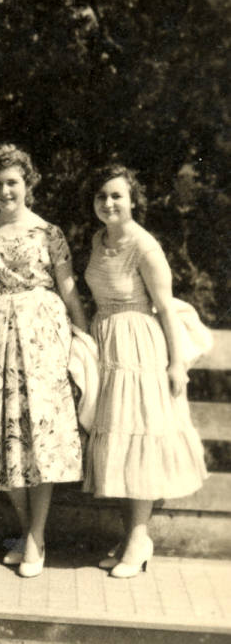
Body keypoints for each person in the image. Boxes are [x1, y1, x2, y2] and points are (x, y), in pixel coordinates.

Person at [0, 144, 87, 578]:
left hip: (43, 338)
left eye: (12, 182)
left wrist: (84, 338)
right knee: (0, 435)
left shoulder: (49, 232)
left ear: (28, 184)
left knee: (39, 435)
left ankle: (35, 537)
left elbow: (69, 291)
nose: (4, 191)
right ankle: (31, 531)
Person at [83, 164, 208, 578]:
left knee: (138, 440)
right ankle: (130, 537)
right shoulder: (98, 240)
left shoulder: (145, 246)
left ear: (133, 200)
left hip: (139, 350)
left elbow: (166, 308)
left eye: (117, 195)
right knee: (118, 444)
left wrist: (176, 364)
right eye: (102, 196)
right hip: (107, 344)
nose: (108, 203)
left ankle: (139, 540)